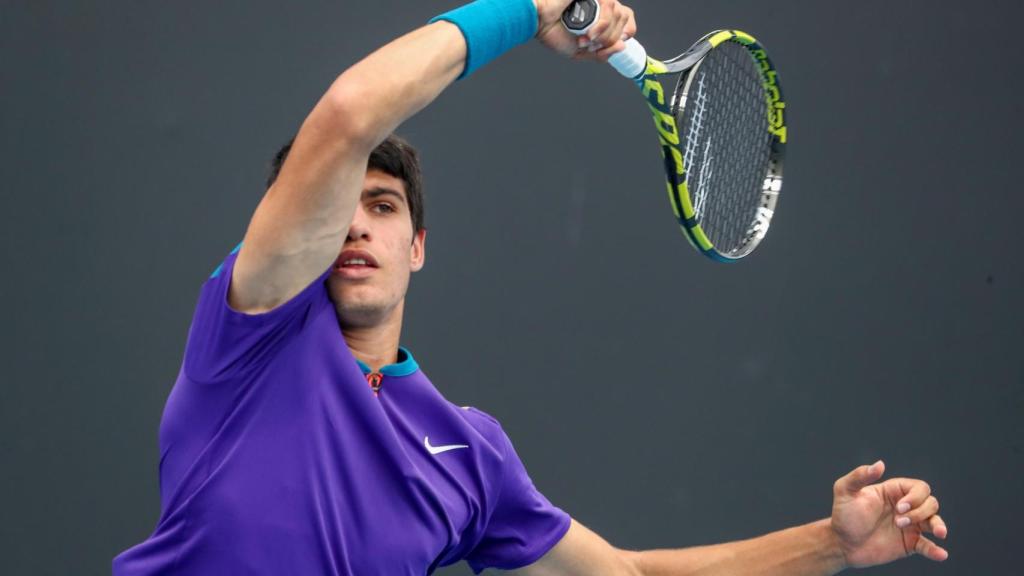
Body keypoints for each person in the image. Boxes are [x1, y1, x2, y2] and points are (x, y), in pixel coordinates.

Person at [113, 0, 949, 574]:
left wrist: (831, 545)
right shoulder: (247, 333)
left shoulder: (469, 456)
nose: (356, 228)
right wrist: (528, 9)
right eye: (340, 207)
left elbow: (623, 575)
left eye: (384, 206)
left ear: (418, 248)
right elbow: (349, 115)